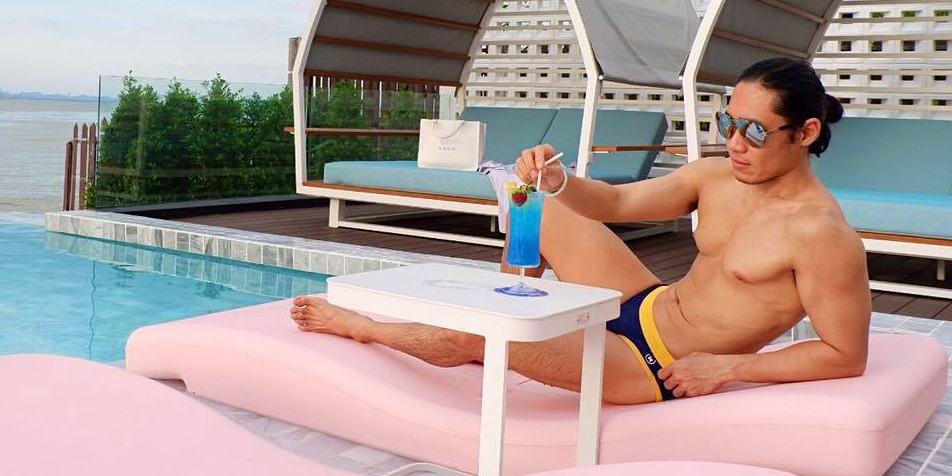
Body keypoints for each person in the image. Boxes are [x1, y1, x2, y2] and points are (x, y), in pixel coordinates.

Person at [290, 57, 870, 404]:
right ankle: (512, 300)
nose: (736, 143)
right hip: (645, 304)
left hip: (654, 365)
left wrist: (729, 367)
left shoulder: (821, 235)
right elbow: (615, 202)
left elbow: (845, 355)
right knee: (543, 208)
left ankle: (367, 328)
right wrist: (557, 178)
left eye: (755, 131)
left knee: (487, 337)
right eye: (728, 124)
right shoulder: (716, 176)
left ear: (805, 132)